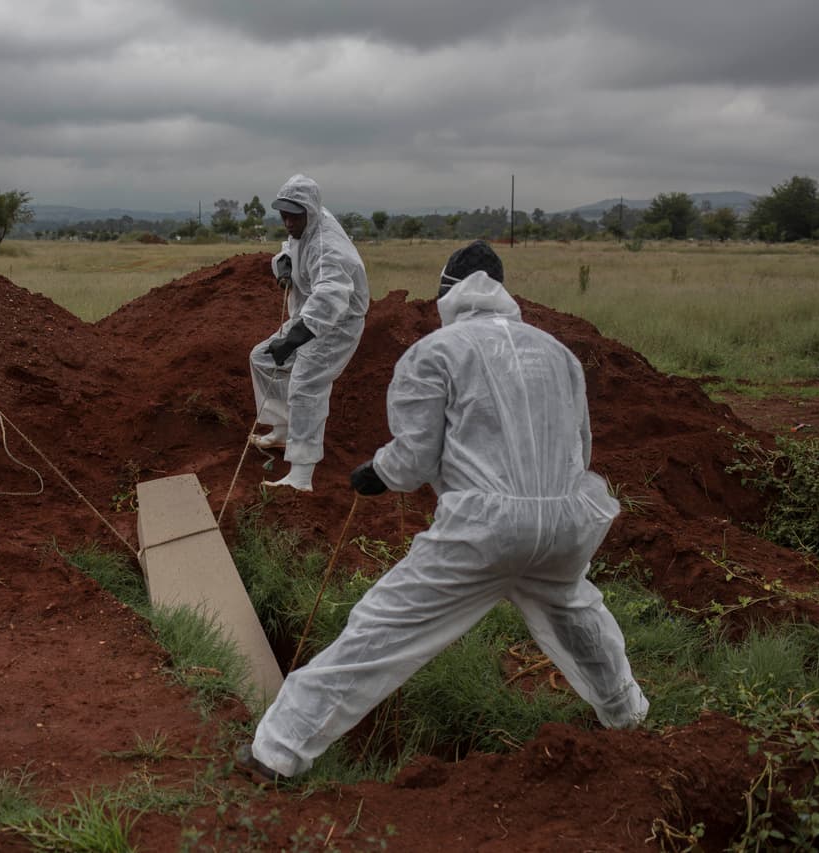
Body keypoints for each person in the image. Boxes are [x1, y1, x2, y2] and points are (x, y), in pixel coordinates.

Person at [237, 240, 648, 781]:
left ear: (447, 294)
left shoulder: (435, 353)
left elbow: (413, 459)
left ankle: (277, 750)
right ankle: (628, 717)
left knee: (381, 629)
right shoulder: (557, 353)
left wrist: (377, 473)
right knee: (577, 614)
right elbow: (581, 448)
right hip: (568, 522)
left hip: (485, 531)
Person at [249, 174, 370, 492]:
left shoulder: (329, 248)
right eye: (283, 214)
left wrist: (292, 340)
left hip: (337, 324)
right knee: (261, 358)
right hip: (310, 317)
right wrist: (285, 263)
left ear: (311, 211)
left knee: (305, 386)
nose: (288, 222)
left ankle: (301, 476)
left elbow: (331, 296)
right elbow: (290, 246)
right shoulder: (306, 223)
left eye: (294, 215)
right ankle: (283, 429)